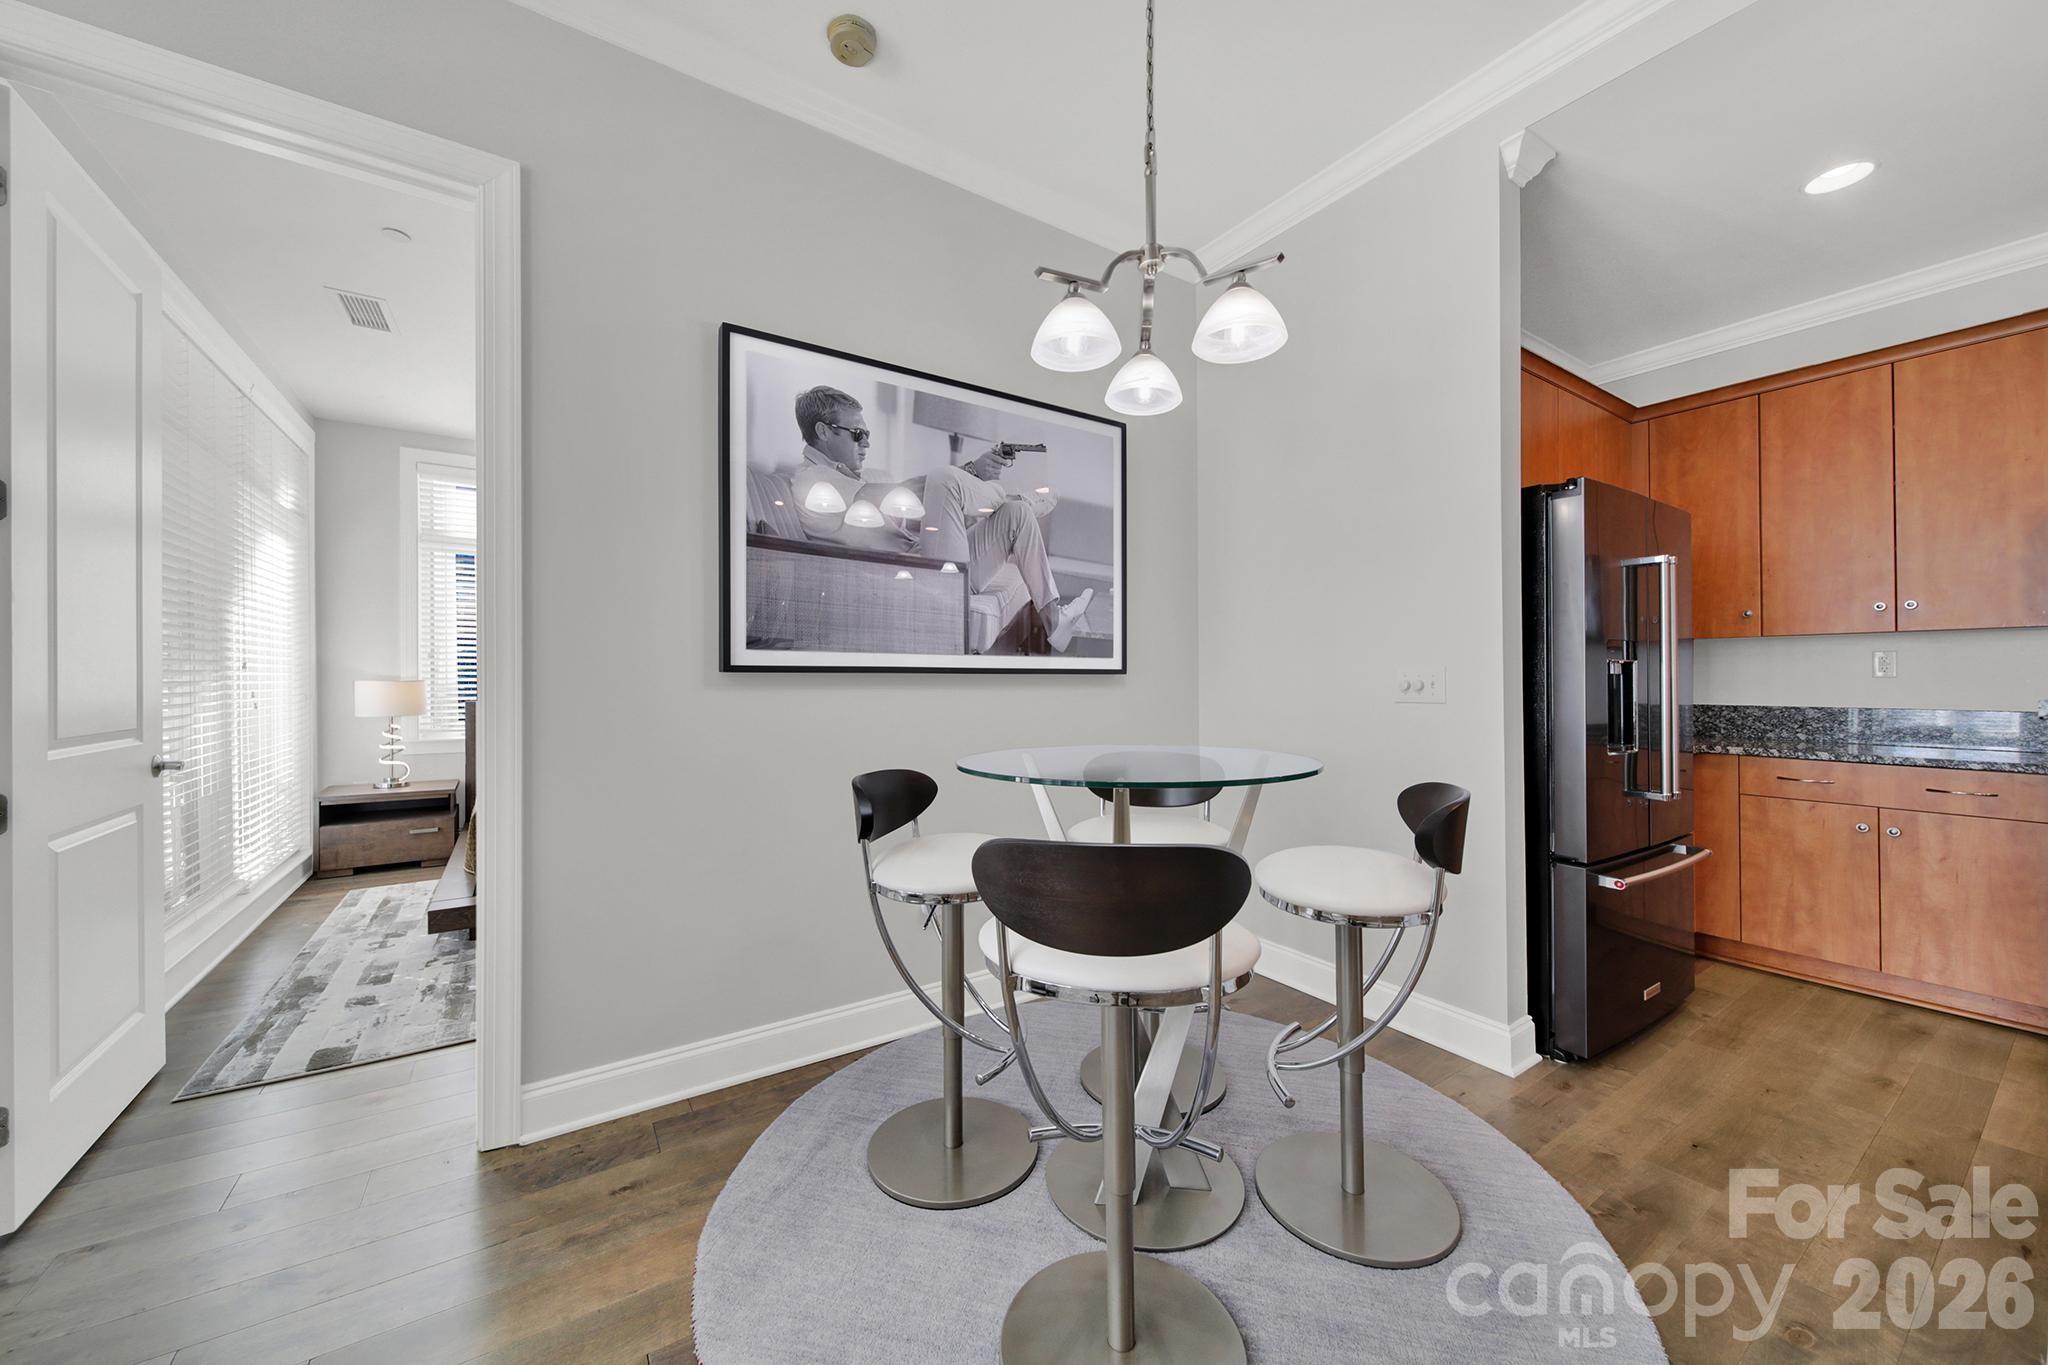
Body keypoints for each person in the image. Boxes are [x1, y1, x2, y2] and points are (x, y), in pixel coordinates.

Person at [785, 385, 1095, 651]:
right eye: (858, 434)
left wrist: (968, 484)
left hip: (924, 564)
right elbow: (896, 495)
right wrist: (970, 473)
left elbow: (898, 503)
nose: (866, 441)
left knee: (1016, 515)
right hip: (908, 579)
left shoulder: (846, 478)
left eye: (866, 433)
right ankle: (1017, 496)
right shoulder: (814, 481)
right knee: (943, 478)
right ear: (823, 431)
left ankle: (1056, 624)